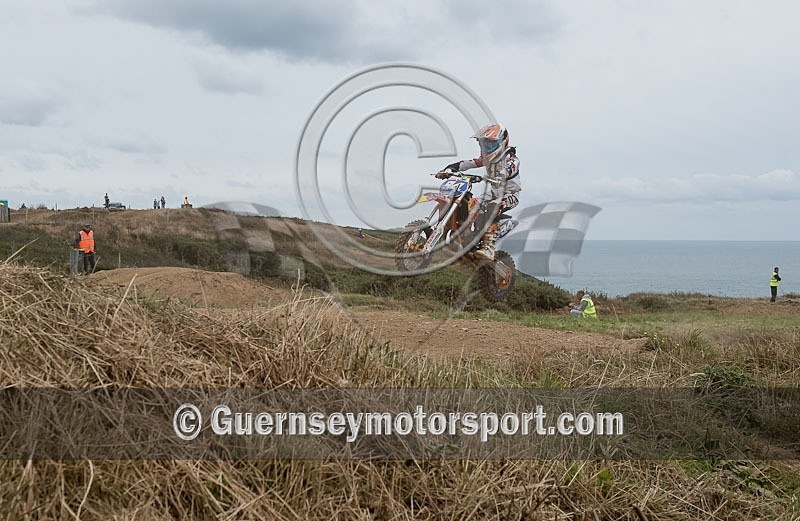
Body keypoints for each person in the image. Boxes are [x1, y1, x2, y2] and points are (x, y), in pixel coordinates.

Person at [437, 123, 521, 261]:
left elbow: (510, 168)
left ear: (502, 142)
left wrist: (501, 175)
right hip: (493, 193)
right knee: (470, 204)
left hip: (510, 195)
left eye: (490, 144)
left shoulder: (511, 159)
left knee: (493, 206)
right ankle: (464, 237)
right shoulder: (487, 159)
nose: (486, 148)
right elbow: (469, 163)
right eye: (484, 144)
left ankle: (489, 247)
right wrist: (449, 169)